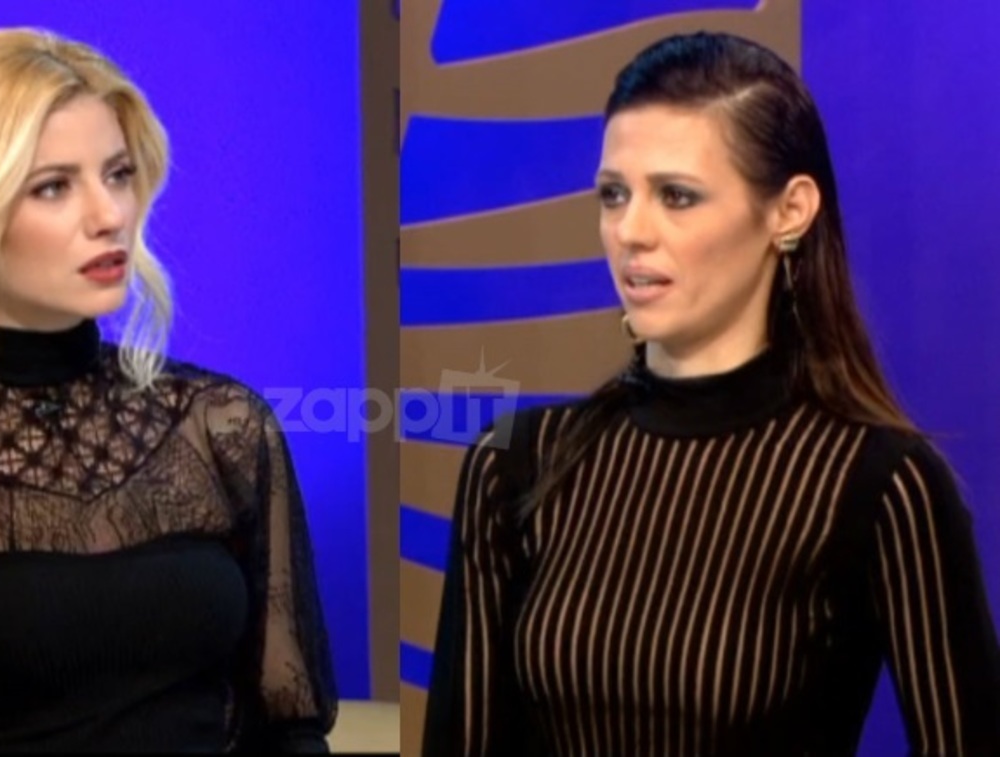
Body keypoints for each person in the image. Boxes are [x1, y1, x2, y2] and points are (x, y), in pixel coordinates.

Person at [423, 30, 1000, 757]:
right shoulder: (516, 465)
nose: (630, 231)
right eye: (613, 194)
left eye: (677, 196)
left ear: (790, 211)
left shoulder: (882, 483)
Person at [0, 27, 337, 753]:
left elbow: (291, 726)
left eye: (117, 174)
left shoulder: (224, 426)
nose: (108, 215)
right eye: (54, 186)